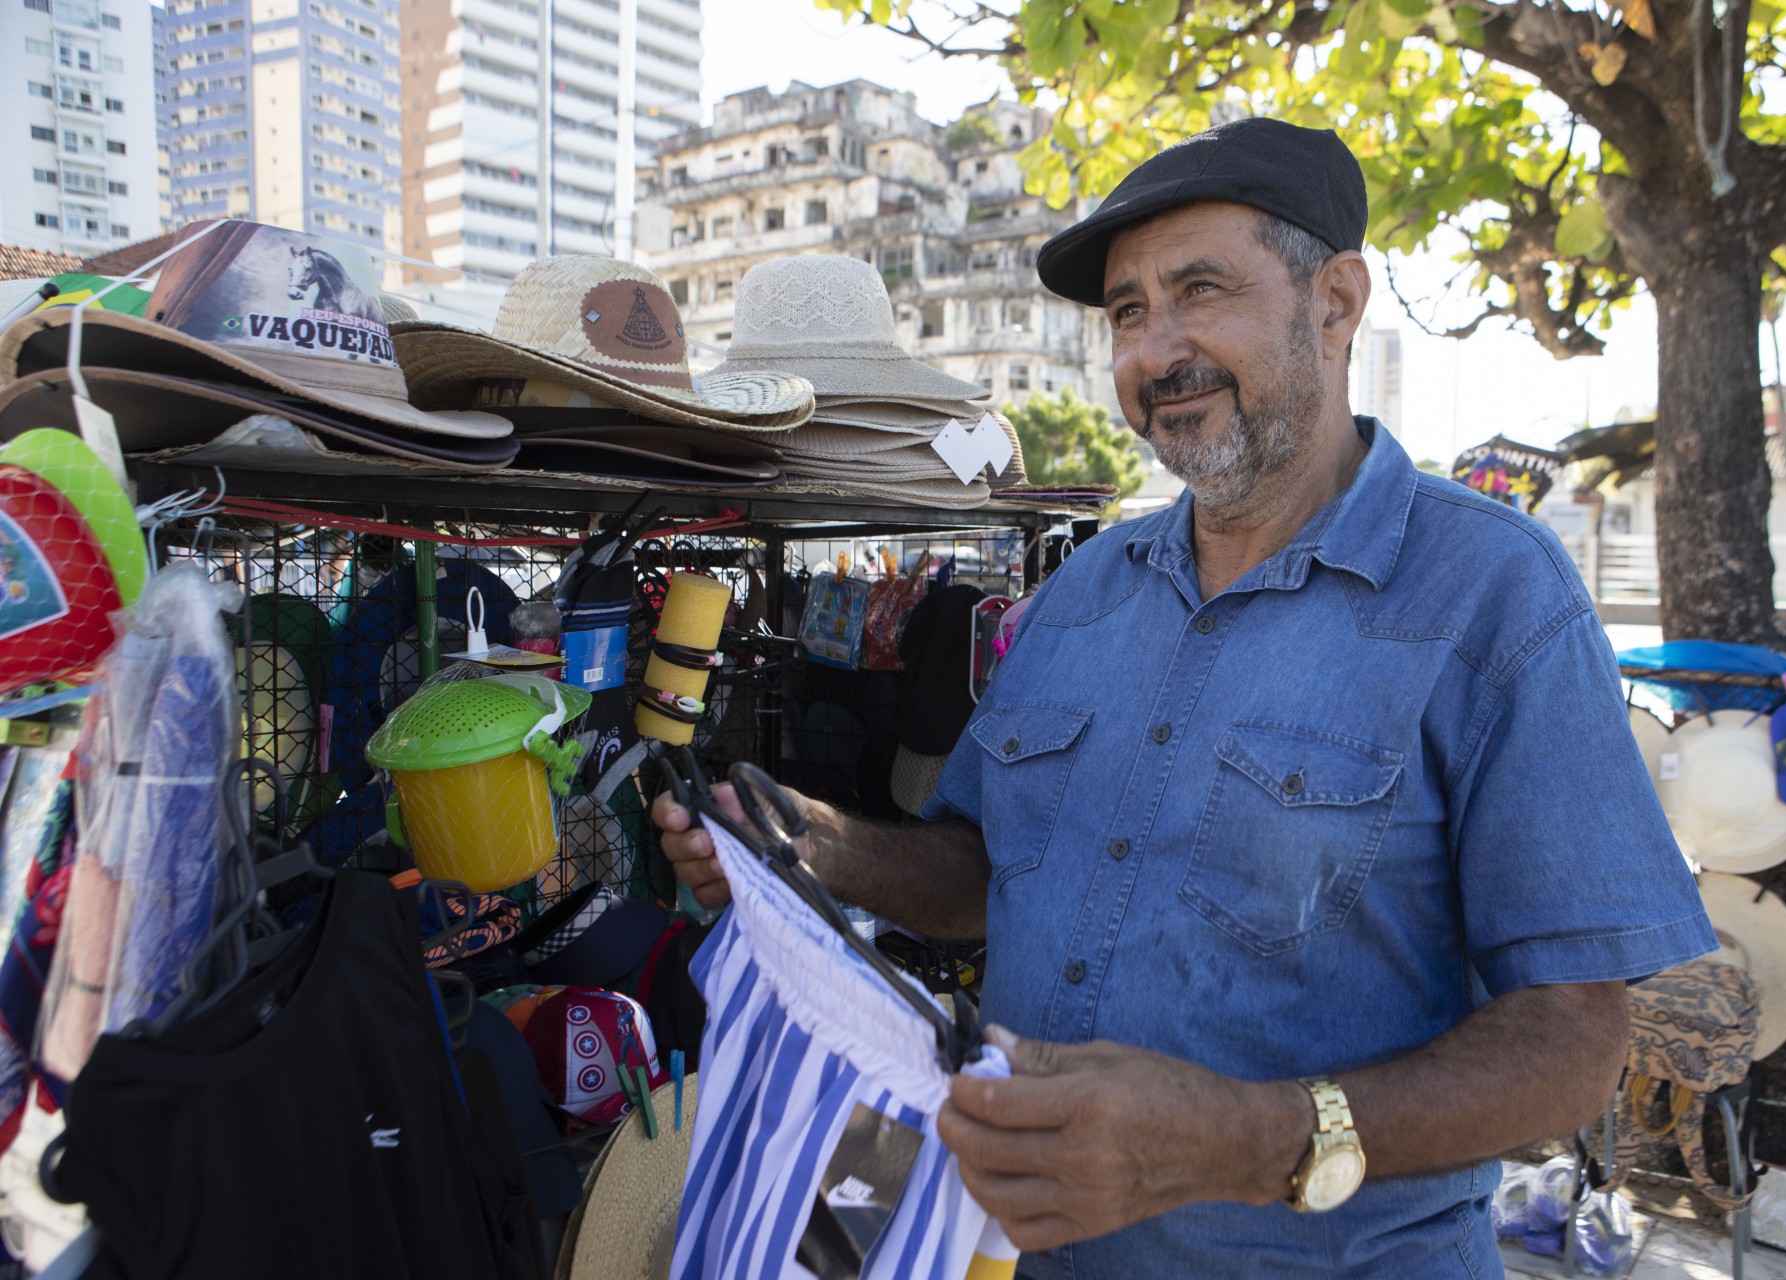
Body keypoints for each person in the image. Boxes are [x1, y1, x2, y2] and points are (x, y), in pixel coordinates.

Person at [654, 117, 1715, 1278]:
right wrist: (816, 844)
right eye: (1125, 312)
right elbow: (984, 870)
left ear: (1336, 301)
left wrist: (1252, 1140)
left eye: (1199, 290)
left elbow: (1574, 1040)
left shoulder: (1495, 594)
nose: (1156, 351)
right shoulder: (1084, 595)